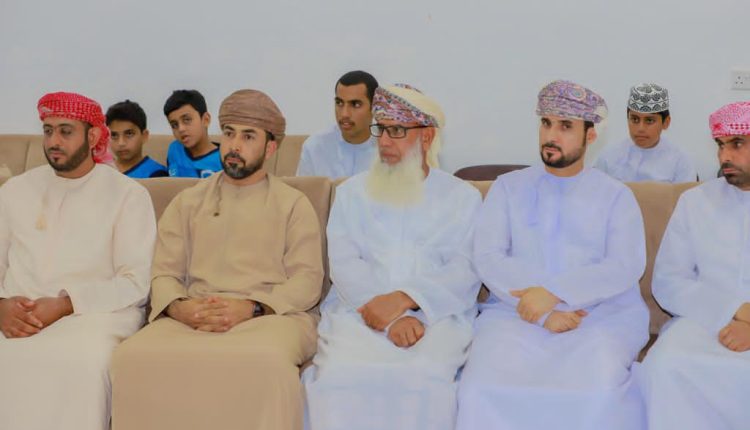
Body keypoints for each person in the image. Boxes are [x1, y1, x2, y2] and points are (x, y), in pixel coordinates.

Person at [111, 89, 324, 430]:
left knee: (266, 361)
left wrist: (252, 308)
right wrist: (180, 308)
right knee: (132, 357)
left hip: (271, 316)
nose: (234, 145)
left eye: (248, 136)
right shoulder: (188, 201)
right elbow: (164, 273)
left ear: (270, 148)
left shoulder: (293, 205)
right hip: (194, 313)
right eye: (229, 133)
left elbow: (307, 281)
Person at [457, 80, 649, 430]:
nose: (551, 135)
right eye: (546, 123)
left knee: (597, 391)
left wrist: (556, 293)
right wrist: (543, 310)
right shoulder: (508, 187)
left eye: (565, 126)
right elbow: (488, 257)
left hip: (597, 319)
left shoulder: (616, 195)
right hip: (514, 316)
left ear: (591, 135)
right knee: (480, 388)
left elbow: (624, 265)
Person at [304, 84, 481, 430]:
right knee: (341, 377)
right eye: (381, 129)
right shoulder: (351, 193)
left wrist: (407, 300)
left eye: (397, 131)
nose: (384, 141)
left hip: (434, 318)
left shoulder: (462, 198)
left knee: (424, 377)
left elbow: (465, 269)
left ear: (427, 136)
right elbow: (345, 264)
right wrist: (389, 317)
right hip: (359, 313)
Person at [0, 91, 156, 430]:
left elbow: (135, 282)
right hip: (15, 315)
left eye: (65, 131)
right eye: (48, 130)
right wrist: (1, 307)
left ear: (94, 135)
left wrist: (65, 304)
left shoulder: (128, 196)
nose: (53, 141)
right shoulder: (15, 191)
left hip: (95, 315)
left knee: (82, 361)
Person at [639, 101, 750, 430]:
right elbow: (669, 281)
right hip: (705, 319)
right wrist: (735, 310)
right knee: (664, 365)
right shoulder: (696, 202)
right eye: (720, 145)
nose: (724, 156)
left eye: (737, 144)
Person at [594, 83, 697, 182]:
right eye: (635, 119)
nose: (641, 128)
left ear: (666, 123)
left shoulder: (680, 162)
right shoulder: (608, 157)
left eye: (649, 120)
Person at [296, 71, 379, 178]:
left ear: (374, 107)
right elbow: (303, 189)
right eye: (339, 103)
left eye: (355, 104)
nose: (344, 114)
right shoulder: (315, 147)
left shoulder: (388, 147)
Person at [163, 89, 222, 177]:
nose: (181, 129)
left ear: (206, 120)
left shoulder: (224, 159)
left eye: (187, 120)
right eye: (174, 125)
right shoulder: (174, 149)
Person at [106, 99, 168, 178]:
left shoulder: (157, 174)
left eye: (129, 134)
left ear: (144, 136)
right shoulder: (102, 169)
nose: (121, 143)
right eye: (114, 135)